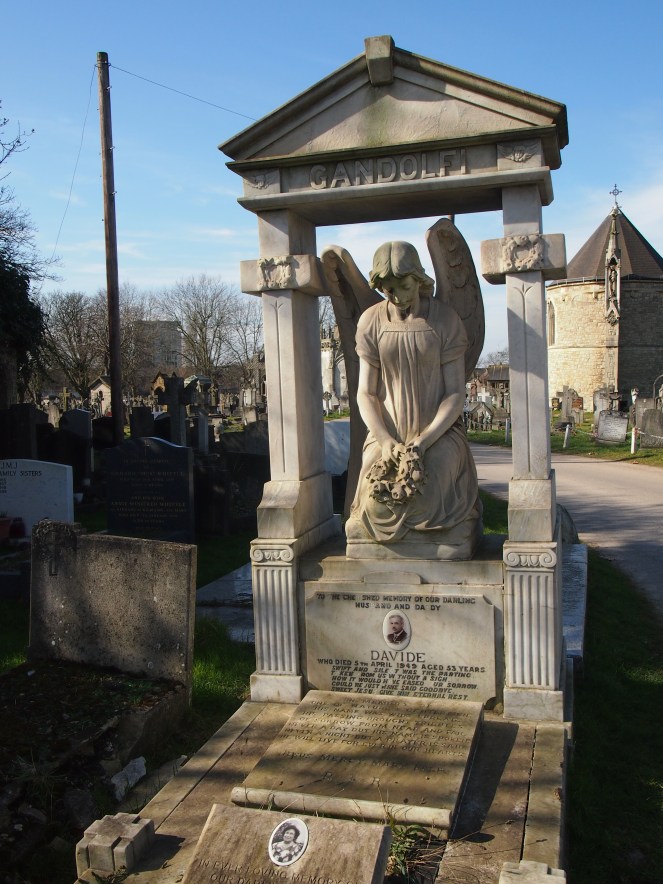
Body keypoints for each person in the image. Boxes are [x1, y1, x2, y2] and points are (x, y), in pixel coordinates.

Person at [346, 241, 481, 546]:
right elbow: (366, 393)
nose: (397, 296)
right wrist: (384, 439)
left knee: (429, 490)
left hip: (439, 434)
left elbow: (455, 394)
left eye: (404, 286)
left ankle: (451, 533)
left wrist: (424, 440)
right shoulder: (371, 321)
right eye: (388, 289)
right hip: (388, 433)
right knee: (375, 502)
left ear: (419, 279)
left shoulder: (445, 320)